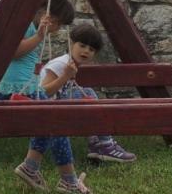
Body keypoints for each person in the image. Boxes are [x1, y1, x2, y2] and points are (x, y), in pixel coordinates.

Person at [0, 0, 95, 194]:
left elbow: (43, 89)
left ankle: (32, 168)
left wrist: (65, 77)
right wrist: (39, 35)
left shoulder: (31, 27)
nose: (56, 29)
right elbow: (12, 52)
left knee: (51, 122)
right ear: (43, 13)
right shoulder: (27, 26)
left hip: (25, 90)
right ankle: (67, 181)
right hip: (13, 92)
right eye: (56, 23)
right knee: (55, 123)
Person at [39, 23, 136, 164]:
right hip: (42, 108)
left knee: (86, 96)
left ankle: (96, 143)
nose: (86, 51)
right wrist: (65, 76)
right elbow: (43, 92)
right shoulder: (61, 64)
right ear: (71, 43)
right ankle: (105, 144)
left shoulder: (70, 64)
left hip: (53, 106)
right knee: (87, 94)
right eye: (82, 45)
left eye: (91, 49)